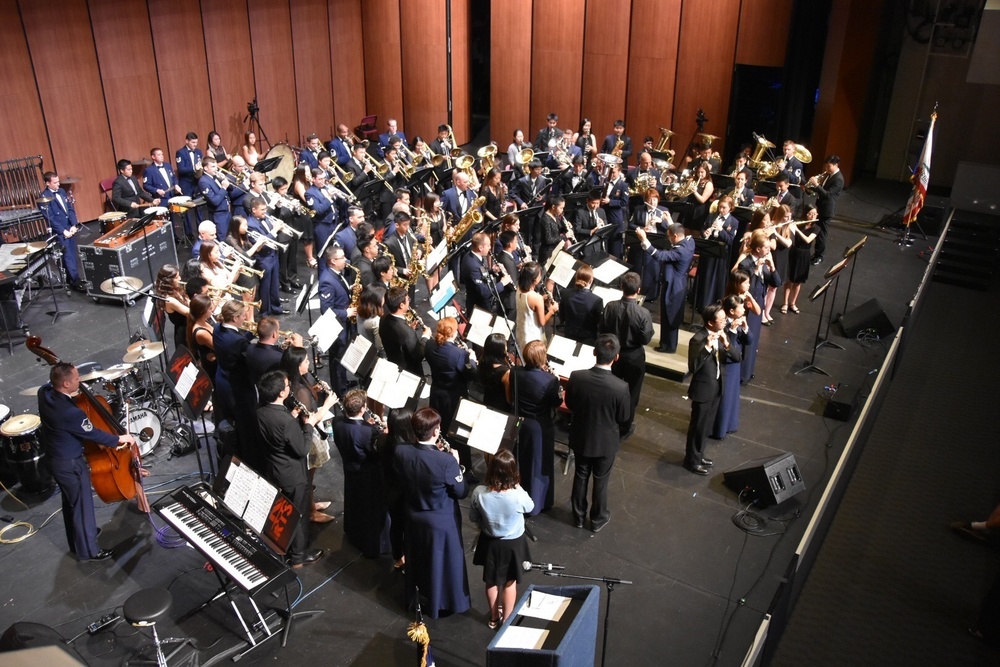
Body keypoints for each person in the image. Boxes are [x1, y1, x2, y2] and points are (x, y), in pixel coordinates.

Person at [38, 364, 138, 562]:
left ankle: (78, 541)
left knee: (71, 503)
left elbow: (49, 385)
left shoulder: (44, 393)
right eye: (76, 379)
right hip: (70, 464)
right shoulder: (71, 413)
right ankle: (90, 551)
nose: (80, 382)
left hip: (54, 459)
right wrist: (120, 439)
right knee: (82, 506)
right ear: (66, 383)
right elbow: (92, 433)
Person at [393, 408, 471, 618]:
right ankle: (443, 601)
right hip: (440, 521)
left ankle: (419, 595)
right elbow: (461, 491)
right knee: (443, 564)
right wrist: (456, 464)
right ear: (436, 432)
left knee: (420, 560)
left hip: (414, 516)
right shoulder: (446, 462)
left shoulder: (401, 451)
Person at [256, 370, 331, 567]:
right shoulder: (286, 422)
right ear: (281, 393)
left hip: (274, 469)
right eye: (287, 386)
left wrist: (292, 415)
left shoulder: (262, 412)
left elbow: (277, 435)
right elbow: (302, 449)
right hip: (293, 474)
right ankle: (298, 556)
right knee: (298, 514)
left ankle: (283, 545)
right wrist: (309, 425)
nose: (289, 388)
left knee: (285, 511)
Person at [566, 334, 631, 531]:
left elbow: (569, 404)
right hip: (605, 443)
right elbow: (624, 417)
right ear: (616, 357)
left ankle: (577, 517)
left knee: (581, 475)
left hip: (581, 437)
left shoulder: (577, 376)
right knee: (601, 481)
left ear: (594, 352)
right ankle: (597, 519)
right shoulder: (621, 387)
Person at [469, 449, 534, 628]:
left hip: (489, 543)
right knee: (509, 581)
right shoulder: (517, 494)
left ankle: (494, 618)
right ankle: (507, 620)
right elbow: (530, 507)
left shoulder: (479, 493)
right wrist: (517, 486)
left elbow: (473, 518)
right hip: (513, 544)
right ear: (513, 471)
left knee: (490, 580)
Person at [280, 346, 335, 523]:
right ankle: (310, 511)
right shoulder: (299, 390)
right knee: (308, 474)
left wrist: (316, 389)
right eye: (306, 361)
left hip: (306, 432)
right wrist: (328, 404)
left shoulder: (296, 382)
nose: (309, 363)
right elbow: (311, 419)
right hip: (307, 436)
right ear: (297, 366)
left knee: (310, 474)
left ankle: (311, 504)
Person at [333, 389, 391, 557]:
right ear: (363, 408)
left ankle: (354, 533)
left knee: (355, 502)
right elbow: (376, 452)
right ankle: (375, 544)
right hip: (368, 474)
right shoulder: (368, 432)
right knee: (371, 509)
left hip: (350, 470)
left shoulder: (337, 422)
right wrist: (383, 434)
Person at [506, 340, 562, 515]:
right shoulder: (550, 380)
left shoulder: (515, 371)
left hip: (519, 423)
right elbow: (556, 402)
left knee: (521, 461)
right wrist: (557, 383)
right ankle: (536, 504)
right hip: (539, 427)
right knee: (538, 465)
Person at [684, 303, 740, 475]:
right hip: (702, 391)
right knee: (698, 427)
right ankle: (691, 461)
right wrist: (707, 348)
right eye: (722, 320)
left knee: (706, 426)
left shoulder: (722, 335)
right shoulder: (698, 339)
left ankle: (699, 455)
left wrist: (727, 344)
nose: (725, 322)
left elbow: (737, 357)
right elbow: (693, 366)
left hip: (716, 388)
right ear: (710, 322)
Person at [597, 271, 653, 438]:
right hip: (634, 356)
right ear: (639, 289)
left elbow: (602, 328)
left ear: (621, 287)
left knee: (610, 387)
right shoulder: (643, 313)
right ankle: (624, 426)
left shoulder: (610, 306)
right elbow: (646, 338)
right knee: (632, 392)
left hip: (613, 353)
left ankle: (608, 419)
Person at [425, 317, 478, 476]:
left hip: (436, 394)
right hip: (454, 398)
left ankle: (441, 461)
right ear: (454, 333)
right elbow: (470, 374)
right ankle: (464, 469)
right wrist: (473, 360)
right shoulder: (459, 354)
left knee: (440, 429)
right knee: (458, 434)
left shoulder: (430, 346)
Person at [635, 223, 694, 353]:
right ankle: (666, 342)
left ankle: (669, 346)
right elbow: (677, 230)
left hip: (674, 285)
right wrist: (670, 222)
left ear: (675, 236)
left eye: (669, 237)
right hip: (678, 283)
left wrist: (645, 240)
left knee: (670, 314)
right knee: (668, 313)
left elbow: (660, 256)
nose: (668, 239)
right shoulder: (690, 241)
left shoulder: (680, 251)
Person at [737, 231, 779, 383]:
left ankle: (749, 371)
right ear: (758, 249)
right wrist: (755, 271)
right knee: (745, 338)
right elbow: (748, 288)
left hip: (758, 303)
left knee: (753, 339)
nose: (769, 250)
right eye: (766, 248)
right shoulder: (746, 264)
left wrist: (772, 267)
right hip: (748, 305)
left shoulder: (766, 264)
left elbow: (777, 283)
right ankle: (741, 373)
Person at [318, 245, 357, 395]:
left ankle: (344, 382)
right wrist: (346, 313)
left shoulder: (337, 274)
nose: (345, 260)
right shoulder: (327, 280)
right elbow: (326, 310)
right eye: (342, 257)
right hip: (337, 326)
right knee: (338, 359)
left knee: (343, 356)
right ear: (333, 261)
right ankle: (339, 392)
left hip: (343, 324)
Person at [711, 295, 751, 440]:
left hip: (736, 364)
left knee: (732, 396)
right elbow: (728, 347)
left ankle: (729, 424)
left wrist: (745, 328)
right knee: (725, 397)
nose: (744, 309)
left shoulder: (740, 322)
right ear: (732, 311)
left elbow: (749, 340)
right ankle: (719, 428)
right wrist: (733, 332)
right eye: (741, 307)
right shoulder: (724, 325)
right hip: (727, 364)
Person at [39, 172, 85, 291]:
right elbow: (50, 218)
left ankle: (72, 279)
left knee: (73, 255)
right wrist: (63, 231)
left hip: (69, 227)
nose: (58, 184)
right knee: (67, 256)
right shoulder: (44, 198)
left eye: (58, 181)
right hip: (60, 230)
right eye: (55, 183)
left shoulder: (62, 192)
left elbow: (69, 208)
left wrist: (74, 224)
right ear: (47, 183)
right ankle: (75, 281)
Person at [694, 195, 739, 313]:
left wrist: (721, 230)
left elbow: (730, 241)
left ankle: (715, 304)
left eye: (724, 208)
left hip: (720, 255)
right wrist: (705, 233)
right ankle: (702, 303)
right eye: (720, 207)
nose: (721, 210)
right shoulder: (712, 216)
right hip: (709, 251)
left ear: (730, 208)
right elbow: (703, 230)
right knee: (706, 277)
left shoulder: (734, 222)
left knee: (716, 279)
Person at [383, 408, 415, 569]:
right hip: (405, 495)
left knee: (395, 526)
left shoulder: (384, 441)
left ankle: (397, 557)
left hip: (389, 491)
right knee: (409, 529)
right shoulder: (407, 450)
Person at [380, 286, 431, 377]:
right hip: (410, 373)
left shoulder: (383, 319)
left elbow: (397, 339)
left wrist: (409, 328)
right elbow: (417, 356)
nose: (409, 302)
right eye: (408, 300)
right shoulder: (407, 334)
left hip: (394, 363)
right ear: (401, 305)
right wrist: (425, 337)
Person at [805, 155, 843, 265]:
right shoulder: (828, 174)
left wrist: (816, 185)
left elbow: (827, 195)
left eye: (829, 166)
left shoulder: (839, 179)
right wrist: (812, 186)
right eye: (826, 166)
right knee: (816, 231)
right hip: (820, 207)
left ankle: (819, 256)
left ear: (836, 165)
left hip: (827, 210)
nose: (826, 168)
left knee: (821, 234)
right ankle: (816, 254)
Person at [464, 232, 512, 314]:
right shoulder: (473, 265)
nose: (490, 248)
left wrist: (492, 271)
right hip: (479, 309)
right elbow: (484, 293)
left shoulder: (473, 256)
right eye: (488, 245)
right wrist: (502, 283)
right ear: (480, 248)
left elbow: (481, 271)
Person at [515, 262, 558, 353]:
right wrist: (552, 310)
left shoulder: (519, 288)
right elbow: (542, 322)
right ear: (534, 280)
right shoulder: (536, 298)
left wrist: (542, 299)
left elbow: (529, 305)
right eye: (539, 276)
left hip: (521, 332)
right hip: (533, 337)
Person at [782, 206, 818, 313]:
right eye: (811, 213)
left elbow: (808, 240)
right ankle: (785, 303)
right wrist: (788, 226)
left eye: (815, 214)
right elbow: (788, 235)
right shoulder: (799, 223)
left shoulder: (816, 228)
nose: (813, 216)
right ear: (806, 214)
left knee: (798, 281)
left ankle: (793, 303)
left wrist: (796, 230)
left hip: (804, 255)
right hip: (793, 252)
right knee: (789, 280)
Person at [559, 265, 603, 345]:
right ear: (591, 280)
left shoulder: (565, 293)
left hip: (569, 334)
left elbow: (562, 317)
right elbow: (598, 323)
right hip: (588, 339)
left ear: (576, 278)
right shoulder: (597, 300)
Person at [154, 265, 190, 353]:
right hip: (184, 333)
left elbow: (188, 301)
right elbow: (189, 312)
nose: (180, 279)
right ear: (169, 281)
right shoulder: (169, 300)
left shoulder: (175, 289)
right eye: (177, 277)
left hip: (189, 325)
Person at [199, 157, 232, 239]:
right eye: (213, 166)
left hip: (227, 211)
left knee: (230, 237)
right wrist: (223, 188)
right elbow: (214, 201)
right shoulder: (203, 181)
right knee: (223, 238)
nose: (216, 169)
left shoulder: (215, 177)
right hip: (218, 214)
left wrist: (225, 179)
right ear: (206, 168)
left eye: (216, 166)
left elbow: (231, 189)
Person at [478, 333, 512, 412]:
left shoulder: (482, 362)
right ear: (501, 350)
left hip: (487, 401)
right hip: (501, 409)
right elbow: (509, 400)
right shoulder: (506, 372)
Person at [357, 284, 386, 356]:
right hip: (374, 356)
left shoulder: (360, 312)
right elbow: (380, 347)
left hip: (363, 348)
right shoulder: (375, 322)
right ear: (377, 300)